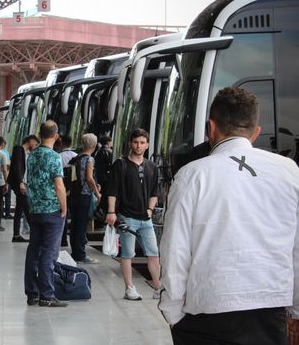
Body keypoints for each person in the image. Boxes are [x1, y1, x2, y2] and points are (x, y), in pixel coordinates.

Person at [160, 87, 299, 345]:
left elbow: (174, 251)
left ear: (210, 128)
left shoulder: (191, 175)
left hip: (205, 311)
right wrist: (296, 310)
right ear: (256, 132)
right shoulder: (289, 171)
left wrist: (173, 312)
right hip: (270, 310)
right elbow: (297, 248)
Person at [106, 128, 161, 300]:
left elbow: (154, 192)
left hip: (146, 218)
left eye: (142, 143)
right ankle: (129, 288)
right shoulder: (120, 164)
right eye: (136, 142)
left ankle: (158, 288)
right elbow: (112, 190)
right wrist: (111, 212)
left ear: (147, 145)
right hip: (127, 216)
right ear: (130, 143)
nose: (139, 146)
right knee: (127, 254)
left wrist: (150, 210)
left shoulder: (152, 167)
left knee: (154, 253)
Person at [24, 121, 68, 307]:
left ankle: (32, 294)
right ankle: (47, 295)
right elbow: (58, 185)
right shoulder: (55, 157)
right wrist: (64, 206)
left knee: (34, 250)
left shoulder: (32, 155)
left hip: (34, 209)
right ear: (56, 136)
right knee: (49, 253)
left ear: (39, 135)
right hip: (51, 210)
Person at [69, 133, 101, 264]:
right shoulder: (90, 159)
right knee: (82, 225)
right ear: (94, 145)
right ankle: (81, 254)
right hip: (84, 195)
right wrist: (97, 192)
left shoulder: (76, 158)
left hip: (74, 194)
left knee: (75, 224)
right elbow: (89, 177)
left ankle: (75, 252)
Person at [7, 135, 39, 242]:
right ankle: (36, 234)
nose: (35, 146)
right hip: (19, 184)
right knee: (27, 208)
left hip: (22, 183)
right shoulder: (18, 149)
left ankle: (16, 235)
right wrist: (21, 183)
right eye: (35, 144)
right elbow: (17, 167)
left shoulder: (25, 152)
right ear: (30, 141)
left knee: (19, 209)